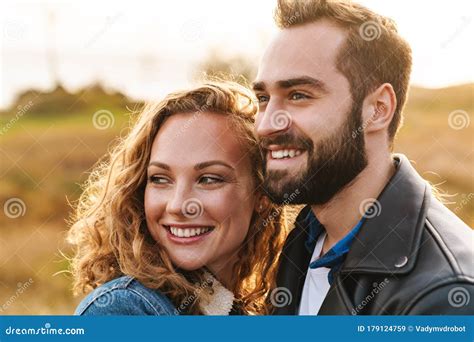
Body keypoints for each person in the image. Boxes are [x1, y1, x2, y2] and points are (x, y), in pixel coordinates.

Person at [253, 0, 474, 315]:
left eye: (298, 95)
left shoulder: (444, 297)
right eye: (263, 98)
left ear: (378, 109)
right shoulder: (306, 235)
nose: (265, 125)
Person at [69, 81, 286, 315]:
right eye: (160, 179)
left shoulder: (251, 308)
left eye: (209, 179)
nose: (178, 205)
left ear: (261, 196)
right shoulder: (124, 309)